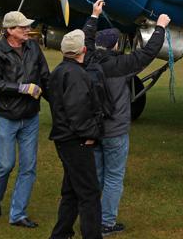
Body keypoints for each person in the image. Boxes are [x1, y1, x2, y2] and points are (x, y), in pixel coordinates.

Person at [86, 10, 171, 235]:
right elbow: (149, 52)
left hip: (92, 130)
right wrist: (160, 27)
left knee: (96, 175)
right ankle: (106, 223)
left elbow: (87, 39)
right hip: (115, 130)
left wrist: (94, 17)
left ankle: (91, 218)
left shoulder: (88, 60)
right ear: (115, 46)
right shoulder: (123, 65)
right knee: (114, 176)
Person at [0, 10, 50, 229]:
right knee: (5, 164)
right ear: (10, 30)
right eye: (22, 28)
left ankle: (18, 214)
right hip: (6, 118)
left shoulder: (34, 48)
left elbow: (45, 78)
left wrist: (61, 103)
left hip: (31, 118)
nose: (27, 30)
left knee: (28, 167)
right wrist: (21, 88)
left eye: (27, 27)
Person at [48, 24, 105, 239]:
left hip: (65, 139)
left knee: (72, 191)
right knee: (89, 193)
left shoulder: (59, 71)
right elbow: (78, 112)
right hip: (76, 141)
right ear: (83, 50)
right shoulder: (76, 75)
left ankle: (61, 234)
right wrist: (90, 136)